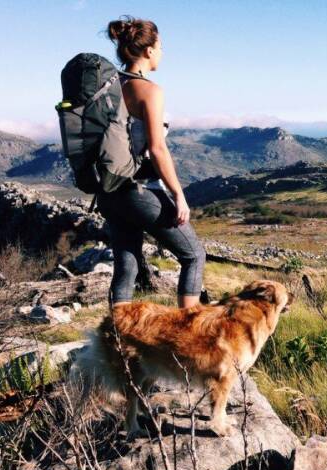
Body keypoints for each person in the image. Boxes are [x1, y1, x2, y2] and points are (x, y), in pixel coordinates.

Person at [99, 16, 205, 308]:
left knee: (127, 267)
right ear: (148, 50)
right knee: (194, 255)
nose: (162, 52)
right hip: (139, 190)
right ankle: (190, 337)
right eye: (160, 46)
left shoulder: (107, 88)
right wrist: (178, 195)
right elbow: (157, 150)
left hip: (108, 191)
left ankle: (117, 343)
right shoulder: (149, 91)